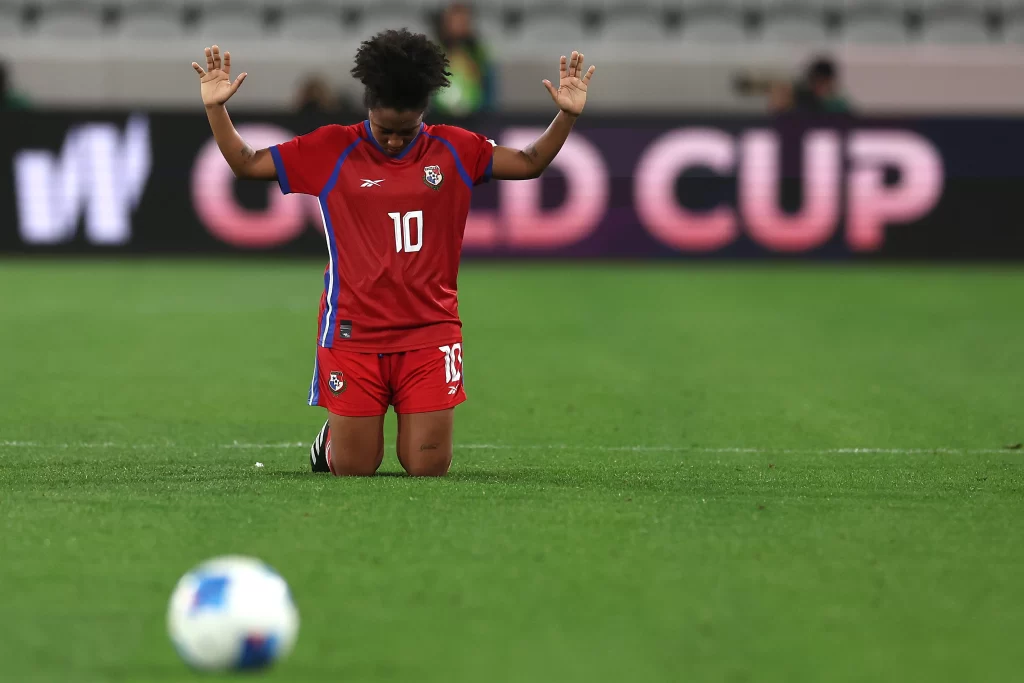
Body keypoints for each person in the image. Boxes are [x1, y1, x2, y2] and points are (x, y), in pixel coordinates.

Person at [190, 31, 596, 477]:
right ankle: (332, 440)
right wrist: (216, 108)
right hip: (353, 332)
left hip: (430, 330)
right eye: (385, 131)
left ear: (424, 113)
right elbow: (247, 164)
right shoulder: (331, 148)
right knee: (355, 468)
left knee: (428, 467)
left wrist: (565, 117)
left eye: (407, 131)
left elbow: (530, 162)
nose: (395, 142)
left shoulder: (456, 148)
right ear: (368, 108)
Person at [432, 2, 495, 117]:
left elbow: (488, 82)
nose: (459, 26)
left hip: (474, 115)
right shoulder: (436, 50)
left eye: (463, 21)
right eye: (455, 22)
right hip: (441, 115)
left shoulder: (478, 52)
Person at [734, 55, 851, 114]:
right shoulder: (801, 99)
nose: (818, 86)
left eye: (822, 82)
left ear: (830, 82)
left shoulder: (838, 104)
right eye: (815, 81)